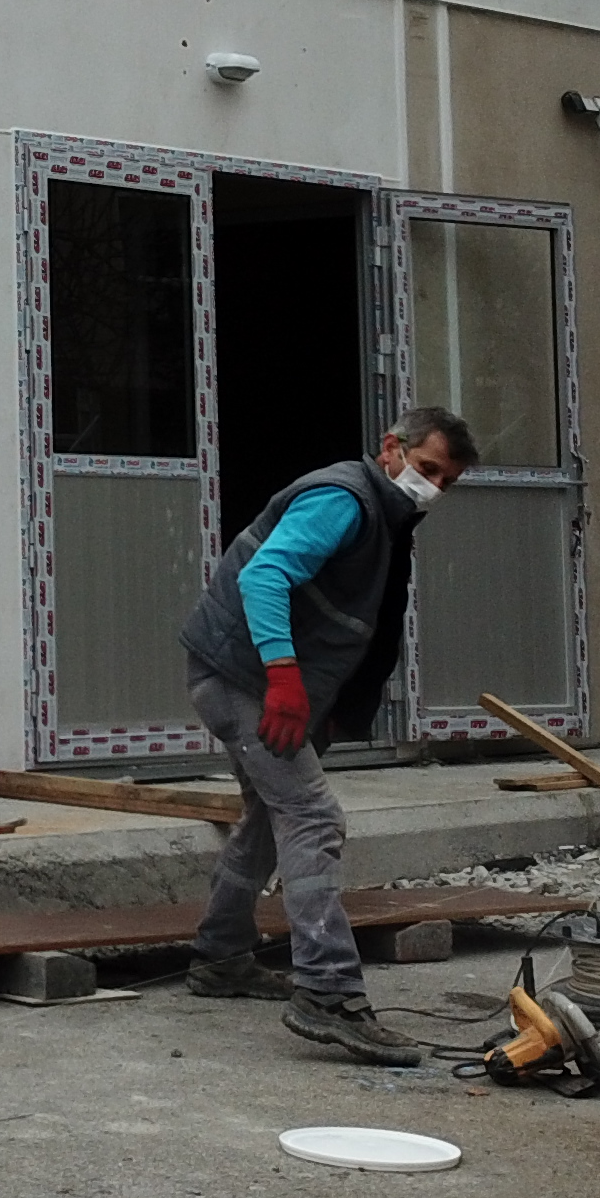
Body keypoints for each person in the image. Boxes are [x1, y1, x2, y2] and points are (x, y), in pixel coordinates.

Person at [178, 408, 481, 1064]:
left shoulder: (386, 517)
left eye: (447, 481)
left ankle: (220, 958)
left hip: (263, 681)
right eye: (427, 469)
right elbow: (264, 577)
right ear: (390, 449)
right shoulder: (343, 501)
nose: (433, 487)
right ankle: (328, 993)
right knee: (314, 817)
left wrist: (335, 701)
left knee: (270, 815)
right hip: (243, 678)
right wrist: (284, 679)